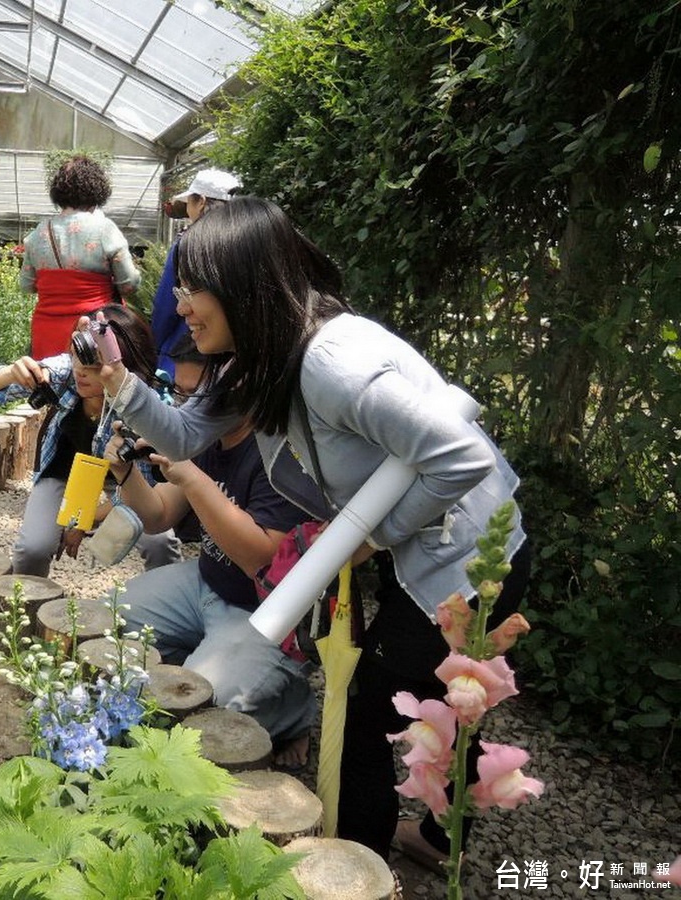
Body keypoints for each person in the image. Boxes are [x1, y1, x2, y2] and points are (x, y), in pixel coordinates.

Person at [96, 197, 530, 864]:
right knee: (437, 698)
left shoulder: (332, 364)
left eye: (192, 287)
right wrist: (119, 382)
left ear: (243, 283)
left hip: (467, 556)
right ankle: (435, 842)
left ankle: (356, 864)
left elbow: (463, 458)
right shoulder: (264, 358)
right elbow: (182, 435)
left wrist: (372, 537)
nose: (179, 305)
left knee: (370, 718)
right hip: (420, 546)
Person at [104, 410, 315, 766]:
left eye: (196, 392)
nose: (187, 405)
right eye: (183, 392)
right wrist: (125, 472)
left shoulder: (280, 453)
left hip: (263, 612)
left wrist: (193, 479)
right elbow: (157, 516)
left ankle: (291, 709)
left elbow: (261, 565)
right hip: (206, 580)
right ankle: (196, 662)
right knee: (105, 622)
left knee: (205, 708)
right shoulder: (206, 437)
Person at [0, 304, 179, 577]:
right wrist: (11, 373)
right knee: (33, 548)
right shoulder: (64, 373)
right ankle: (24, 605)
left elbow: (148, 491)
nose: (81, 371)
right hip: (63, 465)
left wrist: (85, 519)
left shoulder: (142, 403)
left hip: (124, 474)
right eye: (77, 357)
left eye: (95, 364)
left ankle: (167, 599)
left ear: (125, 365)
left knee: (160, 542)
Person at [19, 155, 141, 358]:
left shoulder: (38, 234)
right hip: (94, 329)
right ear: (97, 191)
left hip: (47, 329)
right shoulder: (105, 229)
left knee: (52, 382)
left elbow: (26, 285)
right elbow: (129, 284)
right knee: (91, 385)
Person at [151, 168, 241, 377]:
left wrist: (154, 345)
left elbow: (166, 305)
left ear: (201, 201)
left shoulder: (187, 245)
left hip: (185, 353)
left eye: (189, 203)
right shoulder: (242, 242)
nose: (188, 210)